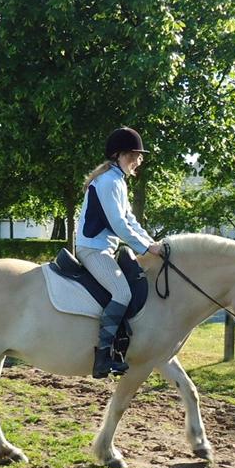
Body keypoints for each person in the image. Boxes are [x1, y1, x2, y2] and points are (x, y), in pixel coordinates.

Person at [76, 127, 164, 378]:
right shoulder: (108, 181)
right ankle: (103, 356)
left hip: (103, 249)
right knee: (122, 292)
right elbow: (119, 224)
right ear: (119, 155)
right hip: (92, 249)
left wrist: (152, 243)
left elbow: (130, 220)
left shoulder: (117, 181)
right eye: (134, 154)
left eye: (138, 155)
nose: (138, 159)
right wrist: (146, 248)